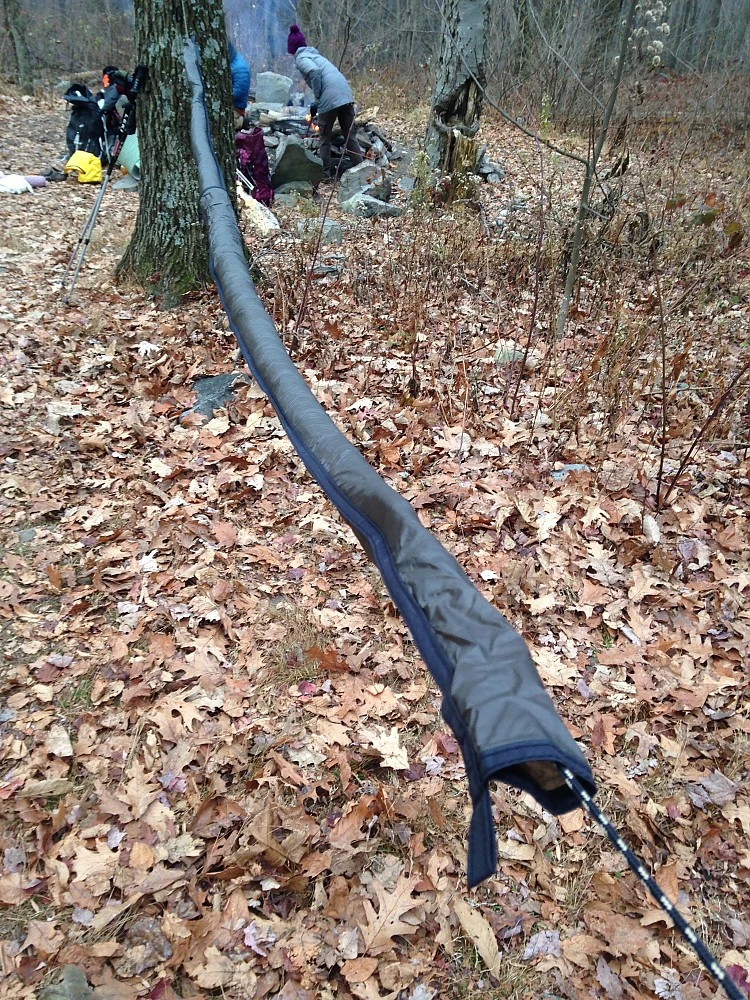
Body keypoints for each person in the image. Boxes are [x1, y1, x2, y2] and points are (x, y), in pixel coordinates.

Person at [286, 24, 363, 179]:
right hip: (345, 94)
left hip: (329, 98)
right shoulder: (317, 56)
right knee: (349, 136)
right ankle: (363, 171)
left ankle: (325, 174)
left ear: (293, 49)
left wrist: (317, 98)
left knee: (324, 138)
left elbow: (314, 72)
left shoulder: (301, 59)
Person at [228, 40, 250, 130]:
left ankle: (241, 121)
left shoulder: (240, 68)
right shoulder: (231, 62)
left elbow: (239, 92)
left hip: (236, 109)